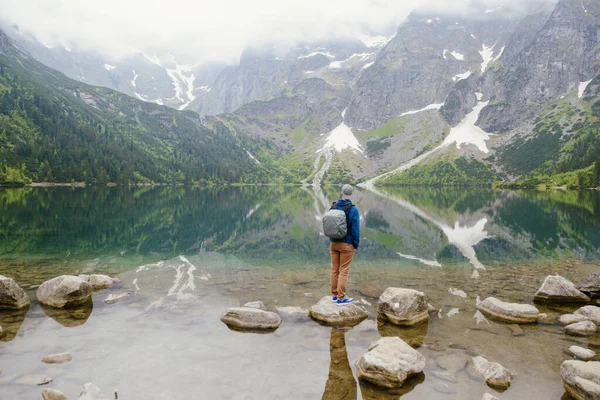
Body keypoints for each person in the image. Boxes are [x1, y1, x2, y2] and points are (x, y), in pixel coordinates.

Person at [330, 184, 360, 305]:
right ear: (351, 194)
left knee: (334, 269)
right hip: (346, 244)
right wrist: (355, 244)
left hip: (333, 242)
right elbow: (355, 230)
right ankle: (341, 298)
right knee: (343, 271)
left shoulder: (333, 206)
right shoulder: (353, 209)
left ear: (341, 192)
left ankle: (334, 295)